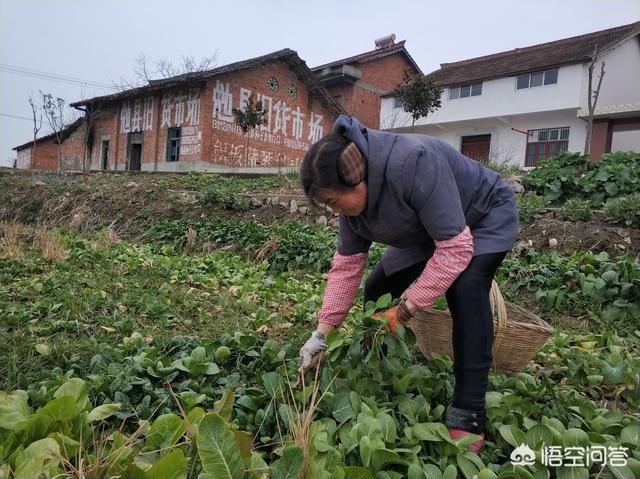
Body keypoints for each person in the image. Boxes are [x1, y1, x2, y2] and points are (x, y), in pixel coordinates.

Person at [297, 115, 519, 451]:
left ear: (357, 178)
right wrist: (320, 336)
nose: (334, 212)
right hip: (428, 232)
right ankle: (376, 360)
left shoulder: (413, 161)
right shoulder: (352, 211)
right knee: (377, 287)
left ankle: (469, 408)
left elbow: (455, 249)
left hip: (483, 214)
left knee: (465, 288)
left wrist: (404, 311)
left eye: (333, 202)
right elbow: (346, 269)